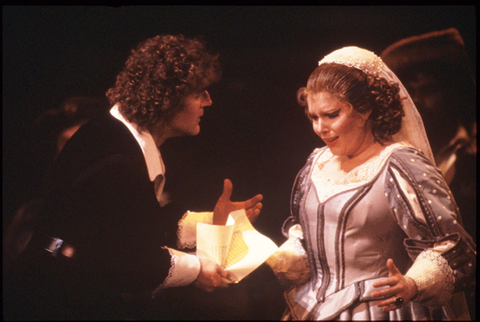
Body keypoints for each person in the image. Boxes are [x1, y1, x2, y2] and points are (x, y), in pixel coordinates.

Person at [3, 34, 263, 320]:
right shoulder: (114, 155)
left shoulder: (117, 139)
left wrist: (208, 219)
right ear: (168, 97)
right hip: (52, 303)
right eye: (199, 92)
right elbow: (123, 256)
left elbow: (131, 223)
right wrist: (197, 270)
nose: (208, 102)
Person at [266, 46, 476, 320]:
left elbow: (455, 248)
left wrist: (413, 283)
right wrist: (278, 258)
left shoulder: (400, 164)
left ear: (364, 110)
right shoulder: (316, 163)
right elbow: (306, 234)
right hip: (309, 309)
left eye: (331, 115)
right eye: (313, 117)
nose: (320, 128)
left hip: (379, 309)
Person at [381, 29, 476, 319]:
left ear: (453, 92)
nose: (418, 102)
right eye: (411, 93)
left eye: (429, 90)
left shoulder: (472, 154)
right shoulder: (392, 162)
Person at [2, 96, 109, 278]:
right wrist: (70, 250)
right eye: (68, 144)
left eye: (85, 143)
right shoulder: (34, 210)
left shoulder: (124, 198)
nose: (76, 153)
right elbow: (37, 245)